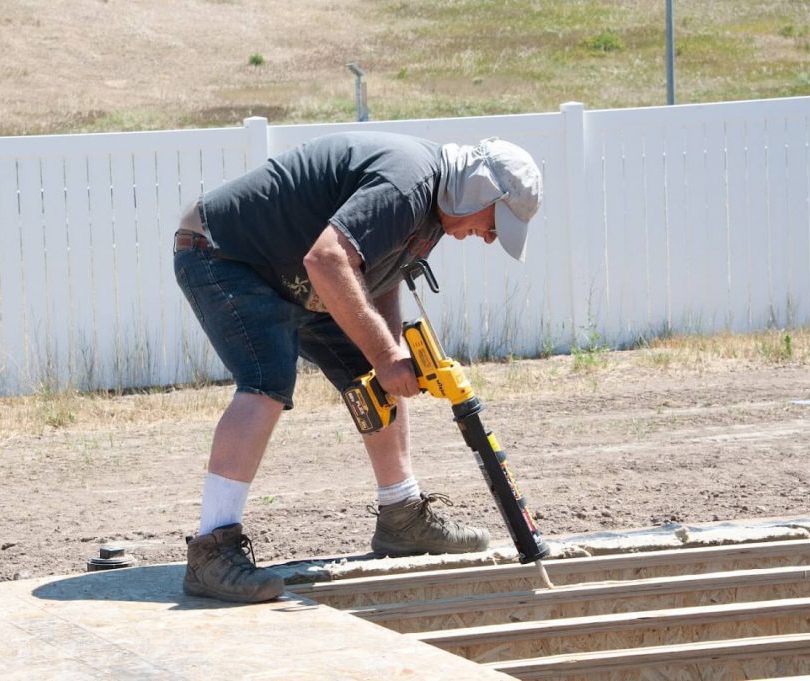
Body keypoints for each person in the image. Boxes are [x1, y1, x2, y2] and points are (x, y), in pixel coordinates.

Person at [173, 131, 542, 603]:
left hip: (296, 270)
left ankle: (401, 515)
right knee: (266, 382)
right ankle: (211, 550)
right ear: (479, 190)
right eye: (496, 222)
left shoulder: (430, 213)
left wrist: (385, 357)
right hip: (224, 254)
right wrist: (387, 356)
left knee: (372, 380)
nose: (491, 237)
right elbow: (327, 260)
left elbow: (375, 275)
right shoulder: (407, 185)